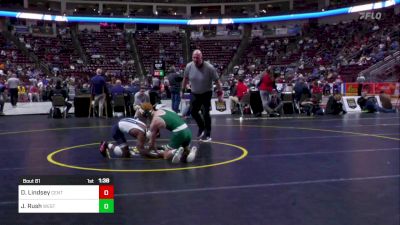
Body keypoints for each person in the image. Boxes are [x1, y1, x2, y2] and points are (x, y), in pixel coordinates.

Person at [182, 49, 223, 142]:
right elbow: (185, 79)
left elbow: (217, 81)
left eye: (197, 57)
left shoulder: (209, 67)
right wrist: (182, 90)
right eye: (194, 57)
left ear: (201, 57)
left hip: (206, 92)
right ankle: (201, 127)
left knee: (205, 113)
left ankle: (208, 134)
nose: (195, 59)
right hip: (195, 92)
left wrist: (220, 94)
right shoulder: (189, 66)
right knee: (193, 111)